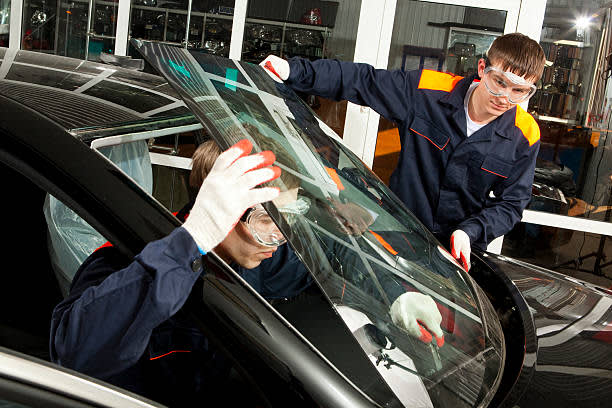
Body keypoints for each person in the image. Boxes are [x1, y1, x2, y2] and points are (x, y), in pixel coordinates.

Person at [50, 138, 443, 406]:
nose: (278, 239)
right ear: (222, 207)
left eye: (287, 220)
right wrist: (193, 240)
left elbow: (332, 254)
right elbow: (75, 354)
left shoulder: (254, 254)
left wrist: (396, 292)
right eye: (264, 220)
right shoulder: (122, 260)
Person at [260, 32, 546, 272]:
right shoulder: (426, 91)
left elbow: (511, 204)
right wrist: (294, 71)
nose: (505, 98)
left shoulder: (525, 134)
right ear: (483, 69)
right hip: (397, 235)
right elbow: (364, 81)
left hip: (456, 256)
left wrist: (470, 232)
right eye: (500, 82)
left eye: (519, 91)